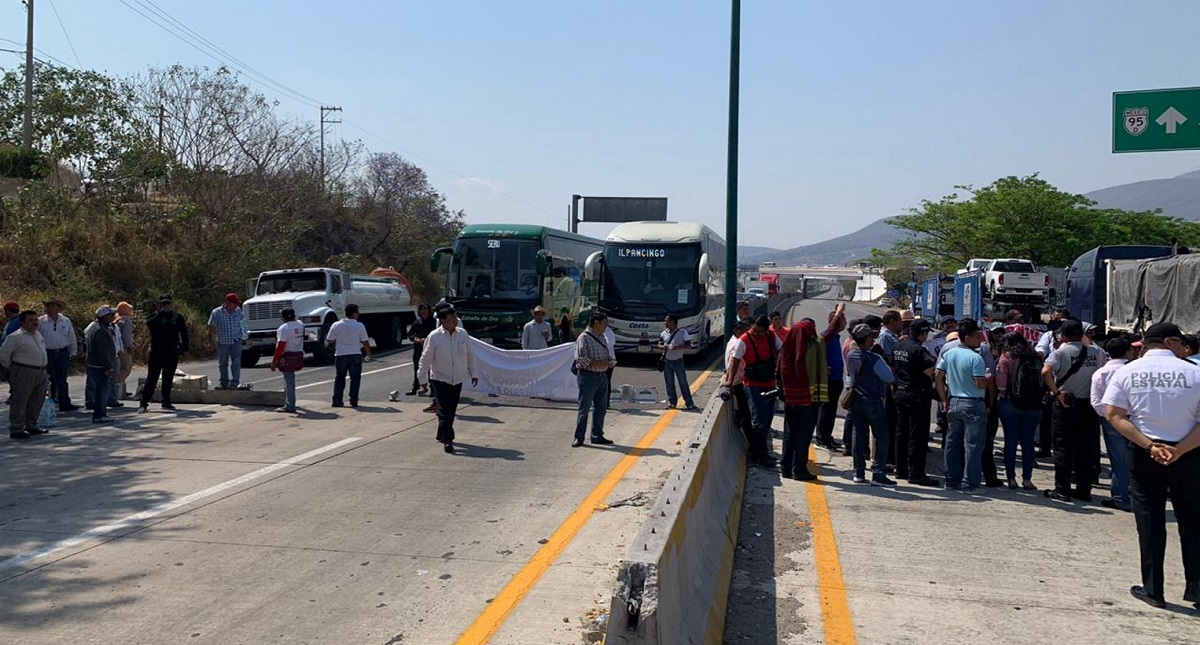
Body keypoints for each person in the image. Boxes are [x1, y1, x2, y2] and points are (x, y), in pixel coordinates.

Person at [1101, 322, 1200, 610]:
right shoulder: (1195, 373)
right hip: (1188, 454)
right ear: (1170, 342)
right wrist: (1179, 450)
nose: (1185, 348)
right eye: (1181, 343)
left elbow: (1114, 415)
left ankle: (1154, 589)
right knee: (1193, 521)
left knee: (1150, 521)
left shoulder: (1127, 372)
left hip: (1145, 453)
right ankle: (1196, 587)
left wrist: (1150, 446)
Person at [1042, 319, 1105, 503]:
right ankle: (1084, 489)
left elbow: (1045, 371)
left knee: (1062, 447)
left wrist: (1056, 392)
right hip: (1088, 405)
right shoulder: (1096, 352)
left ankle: (1062, 489)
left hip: (1066, 403)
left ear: (1063, 336)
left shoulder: (1060, 352)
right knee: (1085, 448)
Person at [935, 319, 993, 492]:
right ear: (967, 338)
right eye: (976, 336)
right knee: (973, 446)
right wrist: (988, 379)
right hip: (973, 403)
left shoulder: (949, 354)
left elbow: (938, 376)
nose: (980, 340)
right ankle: (970, 482)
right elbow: (980, 384)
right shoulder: (976, 358)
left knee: (952, 444)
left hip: (954, 401)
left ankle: (951, 480)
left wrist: (943, 399)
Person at [418, 306, 478, 453]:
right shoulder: (434, 337)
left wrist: (474, 373)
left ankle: (441, 432)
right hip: (440, 378)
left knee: (451, 409)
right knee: (444, 409)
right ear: (443, 321)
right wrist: (422, 379)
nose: (455, 320)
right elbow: (425, 359)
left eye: (455, 317)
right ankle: (448, 439)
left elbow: (470, 354)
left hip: (457, 378)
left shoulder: (462, 334)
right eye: (451, 318)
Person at [727, 315, 784, 468]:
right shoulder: (744, 340)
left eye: (760, 331)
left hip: (770, 383)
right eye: (755, 330)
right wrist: (729, 381)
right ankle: (760, 453)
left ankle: (759, 449)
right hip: (752, 384)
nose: (756, 334)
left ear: (766, 330)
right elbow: (735, 361)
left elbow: (782, 350)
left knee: (768, 416)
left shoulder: (771, 337)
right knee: (759, 418)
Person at [846, 323, 896, 485]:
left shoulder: (851, 355)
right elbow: (889, 378)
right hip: (873, 400)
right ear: (866, 338)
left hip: (856, 399)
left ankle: (858, 472)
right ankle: (878, 474)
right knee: (882, 436)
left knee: (858, 435)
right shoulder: (875, 359)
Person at [893, 319, 939, 486]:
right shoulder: (919, 350)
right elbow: (929, 371)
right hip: (917, 395)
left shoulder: (899, 346)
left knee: (901, 432)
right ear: (923, 333)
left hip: (900, 392)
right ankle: (916, 473)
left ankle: (901, 469)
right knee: (917, 435)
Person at [779, 318, 826, 480]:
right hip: (808, 398)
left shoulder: (786, 348)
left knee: (789, 433)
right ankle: (799, 469)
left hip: (790, 397)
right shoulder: (812, 347)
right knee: (803, 435)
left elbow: (779, 371)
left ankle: (785, 468)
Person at [996, 332, 1044, 491]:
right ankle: (1027, 479)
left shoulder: (1006, 358)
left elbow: (1001, 385)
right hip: (1033, 406)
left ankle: (1011, 478)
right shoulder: (1035, 356)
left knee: (1010, 442)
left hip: (1010, 404)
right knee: (1028, 442)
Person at [1091, 337, 1133, 511]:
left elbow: (1096, 401)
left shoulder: (1100, 373)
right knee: (1138, 459)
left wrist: (1109, 416)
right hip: (1136, 420)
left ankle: (1121, 497)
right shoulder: (1134, 370)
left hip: (1112, 421)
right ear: (1128, 351)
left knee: (1118, 461)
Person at [0, 310, 49, 439]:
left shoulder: (38, 334)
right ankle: (17, 428)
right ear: (22, 322)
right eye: (30, 320)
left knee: (37, 400)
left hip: (40, 371)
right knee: (20, 401)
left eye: (36, 320)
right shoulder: (15, 337)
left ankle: (31, 425)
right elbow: (3, 355)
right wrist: (12, 369)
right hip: (23, 371)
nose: (34, 323)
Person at [139, 294, 189, 413]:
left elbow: (184, 333)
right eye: (164, 303)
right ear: (160, 304)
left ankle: (166, 401)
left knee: (168, 378)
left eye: (168, 303)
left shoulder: (177, 317)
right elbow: (149, 324)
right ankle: (144, 403)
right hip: (157, 352)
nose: (166, 305)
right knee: (152, 378)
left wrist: (185, 349)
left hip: (172, 352)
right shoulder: (154, 316)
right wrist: (161, 313)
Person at [572, 312, 615, 448]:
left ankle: (597, 435)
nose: (606, 326)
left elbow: (607, 354)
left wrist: (610, 361)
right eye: (604, 323)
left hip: (602, 376)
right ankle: (579, 437)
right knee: (584, 408)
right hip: (588, 376)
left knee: (601, 408)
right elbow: (581, 359)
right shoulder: (583, 338)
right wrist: (601, 363)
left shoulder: (602, 337)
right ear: (596, 323)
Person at [327, 304, 371, 408]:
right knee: (355, 379)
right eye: (357, 312)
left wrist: (336, 343)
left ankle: (337, 400)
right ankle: (353, 400)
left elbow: (330, 339)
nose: (358, 314)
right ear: (354, 313)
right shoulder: (359, 325)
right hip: (355, 354)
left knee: (340, 378)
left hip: (341, 354)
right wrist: (368, 354)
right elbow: (365, 342)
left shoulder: (336, 325)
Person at [39, 297, 79, 411]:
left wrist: (73, 351)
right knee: (46, 378)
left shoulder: (65, 321)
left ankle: (64, 402)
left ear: (58, 308)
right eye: (48, 306)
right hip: (47, 352)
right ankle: (48, 402)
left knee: (62, 378)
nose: (50, 308)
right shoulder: (41, 321)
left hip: (62, 352)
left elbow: (71, 337)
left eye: (53, 306)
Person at [84, 306, 123, 410]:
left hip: (103, 361)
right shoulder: (98, 329)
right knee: (98, 385)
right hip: (98, 364)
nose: (113, 316)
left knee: (106, 384)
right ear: (105, 316)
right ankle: (95, 406)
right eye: (111, 315)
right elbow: (102, 350)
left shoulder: (106, 326)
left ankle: (108, 401)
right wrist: (108, 365)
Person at [722, 318, 754, 447]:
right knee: (746, 417)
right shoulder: (737, 345)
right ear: (740, 332)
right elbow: (732, 365)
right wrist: (732, 383)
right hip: (738, 385)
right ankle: (753, 446)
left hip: (737, 383)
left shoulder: (732, 341)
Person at [208, 293, 247, 390]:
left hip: (236, 340)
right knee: (223, 363)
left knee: (236, 362)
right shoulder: (216, 312)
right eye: (234, 303)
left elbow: (243, 324)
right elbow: (212, 328)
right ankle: (224, 382)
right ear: (227, 302)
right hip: (223, 342)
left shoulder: (238, 311)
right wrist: (212, 342)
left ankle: (235, 382)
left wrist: (244, 335)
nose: (236, 306)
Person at [659, 314, 698, 411]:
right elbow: (659, 344)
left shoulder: (682, 332)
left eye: (666, 321)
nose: (665, 323)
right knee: (669, 383)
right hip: (667, 361)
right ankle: (672, 403)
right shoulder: (663, 333)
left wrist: (677, 347)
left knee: (683, 383)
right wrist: (663, 347)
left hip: (678, 361)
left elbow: (689, 345)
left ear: (672, 322)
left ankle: (689, 403)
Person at [270, 308, 304, 413]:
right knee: (289, 379)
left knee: (289, 380)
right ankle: (289, 401)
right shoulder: (300, 324)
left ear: (283, 317)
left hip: (287, 355)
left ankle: (290, 404)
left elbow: (281, 345)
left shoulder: (284, 328)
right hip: (298, 354)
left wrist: (274, 360)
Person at [405, 303, 437, 397]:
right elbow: (410, 334)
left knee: (431, 369)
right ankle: (415, 387)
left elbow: (437, 335)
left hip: (430, 349)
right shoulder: (417, 322)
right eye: (421, 309)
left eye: (425, 309)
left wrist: (426, 339)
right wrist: (416, 339)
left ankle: (433, 389)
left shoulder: (434, 322)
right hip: (418, 349)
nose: (423, 311)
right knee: (417, 369)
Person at [115, 301, 135, 398]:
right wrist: (129, 346)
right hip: (124, 347)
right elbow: (127, 335)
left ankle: (121, 389)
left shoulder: (116, 319)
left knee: (119, 368)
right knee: (126, 368)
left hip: (117, 347)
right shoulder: (126, 320)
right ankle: (118, 390)